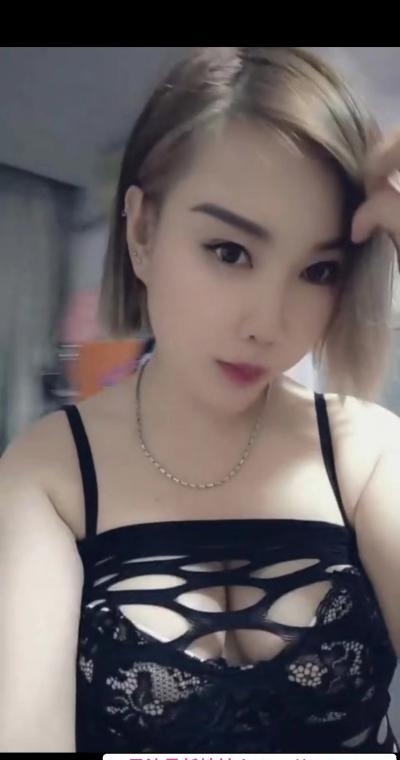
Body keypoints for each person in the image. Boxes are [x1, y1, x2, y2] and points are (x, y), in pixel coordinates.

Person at [0, 46, 399, 753]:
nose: (268, 324)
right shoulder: (47, 477)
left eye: (318, 270)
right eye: (229, 251)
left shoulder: (366, 453)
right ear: (142, 231)